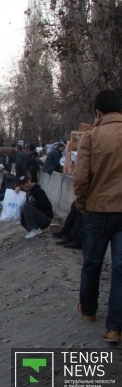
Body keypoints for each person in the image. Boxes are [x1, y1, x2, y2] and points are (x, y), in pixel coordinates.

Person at [73, 89, 122, 343]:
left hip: (97, 211)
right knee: (120, 270)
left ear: (98, 112)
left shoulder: (91, 137)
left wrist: (82, 205)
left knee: (91, 264)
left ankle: (89, 311)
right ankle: (114, 329)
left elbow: (80, 179)